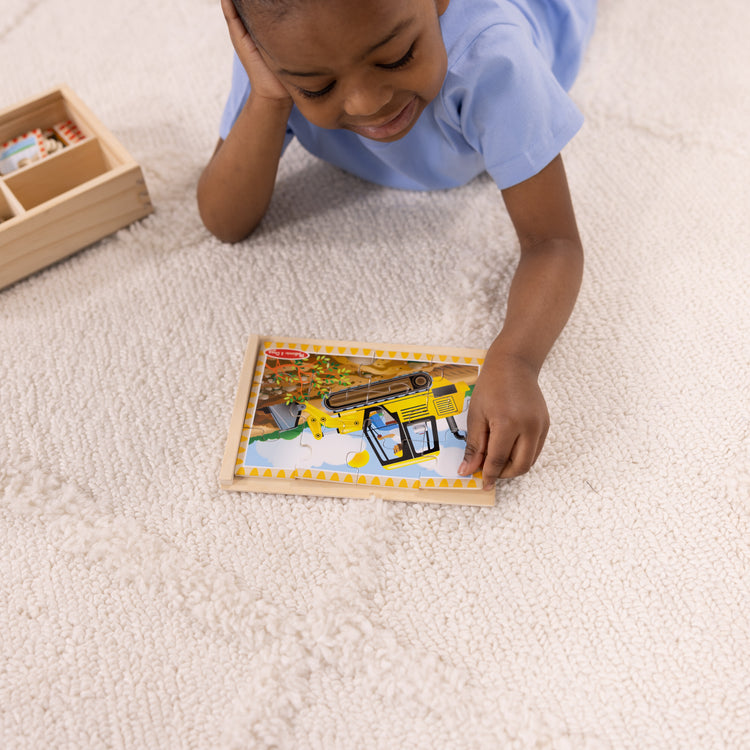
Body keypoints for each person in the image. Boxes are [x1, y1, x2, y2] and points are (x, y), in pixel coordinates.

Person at [197, 0, 596, 491]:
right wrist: (270, 97)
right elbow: (223, 219)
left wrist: (516, 360)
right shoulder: (280, 53)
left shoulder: (494, 57)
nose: (367, 102)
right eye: (318, 86)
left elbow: (553, 241)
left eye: (397, 56)